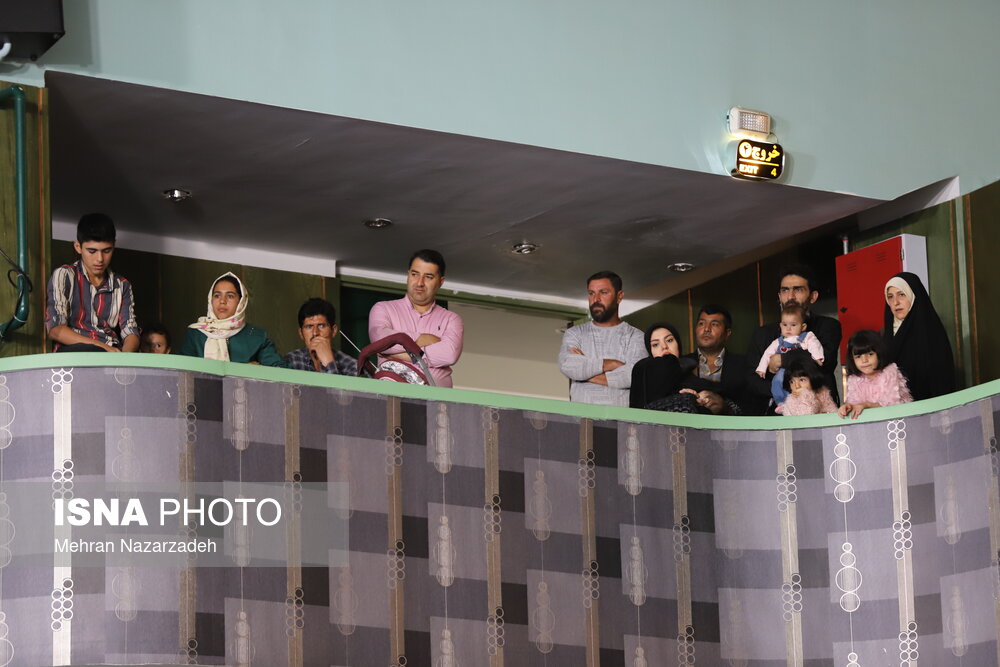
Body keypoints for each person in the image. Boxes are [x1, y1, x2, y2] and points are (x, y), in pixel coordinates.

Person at [746, 264, 842, 414]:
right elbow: (752, 379)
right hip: (775, 414)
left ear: (813, 296)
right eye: (785, 290)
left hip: (819, 411)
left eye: (798, 289)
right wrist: (784, 393)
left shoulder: (828, 326)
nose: (790, 296)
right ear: (779, 296)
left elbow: (825, 362)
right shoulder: (763, 334)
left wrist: (782, 359)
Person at [367, 250, 463, 387]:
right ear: (408, 275)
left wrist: (401, 354)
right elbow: (380, 340)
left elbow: (449, 354)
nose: (419, 282)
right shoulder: (383, 308)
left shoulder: (451, 319)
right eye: (414, 274)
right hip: (392, 395)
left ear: (440, 282)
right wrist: (422, 338)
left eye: (428, 277)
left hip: (436, 398)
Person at [45, 213, 139, 352]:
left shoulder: (122, 285)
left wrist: (124, 359)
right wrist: (103, 347)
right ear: (78, 247)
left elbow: (131, 331)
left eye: (106, 251)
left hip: (112, 354)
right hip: (74, 353)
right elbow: (55, 330)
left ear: (114, 246)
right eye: (92, 251)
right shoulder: (64, 275)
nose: (100, 259)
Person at [558, 271, 647, 406]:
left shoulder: (636, 336)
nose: (596, 299)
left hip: (621, 417)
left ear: (619, 296)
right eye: (591, 293)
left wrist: (584, 373)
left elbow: (633, 376)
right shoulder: (574, 333)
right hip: (581, 417)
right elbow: (568, 365)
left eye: (603, 292)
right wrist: (612, 364)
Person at [179, 272, 282, 365]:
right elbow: (181, 370)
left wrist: (256, 371)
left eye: (230, 296)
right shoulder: (196, 334)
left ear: (241, 301)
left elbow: (279, 371)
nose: (222, 301)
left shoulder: (257, 337)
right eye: (217, 295)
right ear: (210, 300)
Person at [883, 272, 955, 401]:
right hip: (893, 409)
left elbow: (941, 381)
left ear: (914, 296)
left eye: (901, 294)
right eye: (890, 297)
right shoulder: (885, 335)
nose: (895, 302)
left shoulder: (931, 332)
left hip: (927, 406)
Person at [630, 322, 730, 414]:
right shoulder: (643, 372)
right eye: (655, 344)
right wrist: (687, 398)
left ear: (678, 344)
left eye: (669, 340)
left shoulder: (698, 371)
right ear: (650, 351)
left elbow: (730, 408)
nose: (664, 346)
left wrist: (711, 402)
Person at [681, 304, 749, 411]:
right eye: (701, 323)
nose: (706, 329)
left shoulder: (744, 365)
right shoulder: (681, 364)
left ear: (727, 333)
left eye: (714, 324)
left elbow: (753, 407)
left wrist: (725, 407)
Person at [755, 303, 825, 407]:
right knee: (777, 381)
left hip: (802, 370)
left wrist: (817, 356)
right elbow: (767, 354)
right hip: (784, 369)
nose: (788, 329)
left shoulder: (807, 337)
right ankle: (782, 402)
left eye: (793, 325)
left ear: (803, 327)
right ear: (780, 325)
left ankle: (805, 402)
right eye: (785, 325)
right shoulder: (778, 342)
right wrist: (762, 368)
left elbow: (815, 345)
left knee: (805, 384)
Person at [838, 330, 912, 419]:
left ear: (879, 354)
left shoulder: (890, 373)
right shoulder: (854, 379)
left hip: (899, 421)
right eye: (858, 357)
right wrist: (849, 407)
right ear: (852, 359)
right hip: (872, 423)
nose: (864, 360)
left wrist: (866, 405)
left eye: (870, 354)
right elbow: (855, 404)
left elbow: (892, 405)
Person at [283, 298, 357, 375]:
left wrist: (328, 362)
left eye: (321, 326)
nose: (315, 333)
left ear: (333, 331)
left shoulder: (352, 365)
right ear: (301, 333)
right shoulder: (291, 360)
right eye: (309, 327)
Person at [778, 351, 837, 416]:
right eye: (792, 382)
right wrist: (804, 395)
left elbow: (834, 414)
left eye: (802, 380)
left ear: (812, 378)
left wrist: (805, 394)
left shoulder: (823, 394)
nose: (797, 386)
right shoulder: (791, 400)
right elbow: (805, 416)